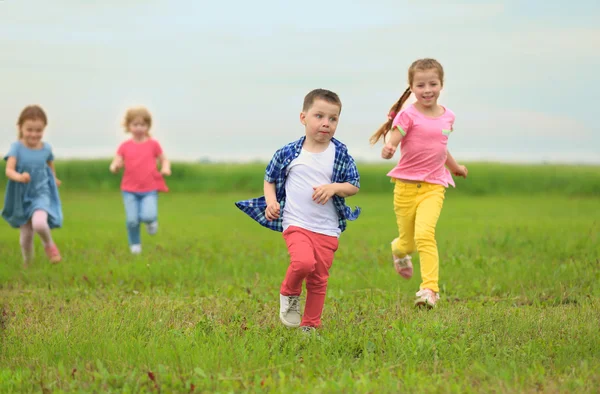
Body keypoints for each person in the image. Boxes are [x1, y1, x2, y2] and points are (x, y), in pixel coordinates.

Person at [236, 89, 361, 331]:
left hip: (327, 227)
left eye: (333, 119)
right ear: (303, 118)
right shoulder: (289, 153)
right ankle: (289, 291)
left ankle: (310, 326)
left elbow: (353, 185)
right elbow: (269, 178)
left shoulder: (341, 154)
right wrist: (271, 201)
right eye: (319, 116)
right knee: (303, 263)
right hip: (296, 223)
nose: (326, 123)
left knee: (319, 279)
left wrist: (334, 188)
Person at [370, 58, 468, 308]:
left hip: (434, 186)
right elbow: (396, 135)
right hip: (404, 186)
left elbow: (440, 148)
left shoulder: (448, 117)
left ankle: (429, 290)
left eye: (432, 84)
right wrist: (390, 146)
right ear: (411, 87)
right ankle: (398, 251)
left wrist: (455, 168)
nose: (427, 90)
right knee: (407, 243)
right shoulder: (408, 115)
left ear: (441, 85)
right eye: (421, 85)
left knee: (425, 235)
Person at [2, 105, 63, 265]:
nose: (34, 134)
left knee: (39, 223)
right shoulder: (17, 148)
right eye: (29, 130)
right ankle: (28, 264)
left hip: (40, 193)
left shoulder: (46, 148)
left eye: (38, 130)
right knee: (25, 237)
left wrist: (54, 179)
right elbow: (9, 170)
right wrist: (19, 176)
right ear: (20, 127)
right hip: (21, 195)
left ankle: (49, 245)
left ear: (44, 129)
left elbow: (50, 165)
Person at [109, 107, 171, 254]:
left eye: (142, 125)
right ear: (129, 126)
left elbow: (164, 159)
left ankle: (151, 222)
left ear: (148, 126)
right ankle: (135, 246)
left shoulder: (153, 144)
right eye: (135, 125)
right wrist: (115, 167)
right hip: (129, 190)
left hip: (149, 189)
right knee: (132, 220)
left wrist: (166, 168)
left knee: (148, 215)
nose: (139, 128)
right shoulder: (125, 146)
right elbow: (115, 162)